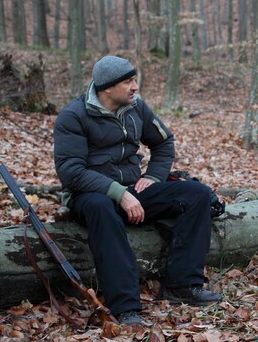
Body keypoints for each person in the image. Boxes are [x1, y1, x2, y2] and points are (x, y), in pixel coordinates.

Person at [54, 55, 222, 325]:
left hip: (133, 189)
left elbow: (164, 143)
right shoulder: (73, 116)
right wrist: (119, 193)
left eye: (134, 80)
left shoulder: (137, 108)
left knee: (196, 194)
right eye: (128, 82)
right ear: (107, 88)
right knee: (101, 207)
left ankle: (182, 285)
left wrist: (154, 177)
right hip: (89, 195)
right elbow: (71, 172)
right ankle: (125, 307)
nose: (135, 87)